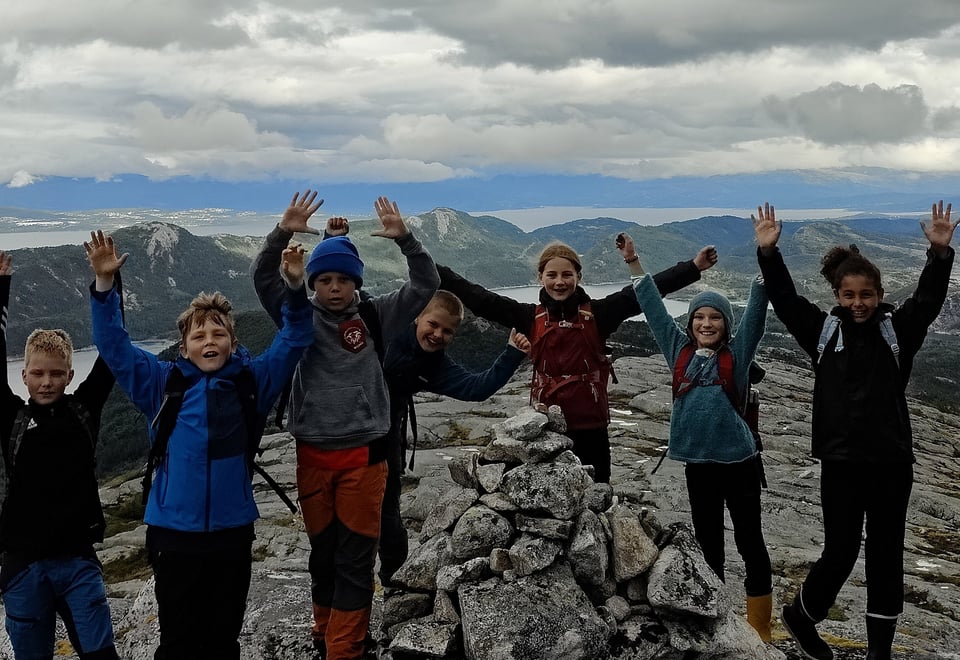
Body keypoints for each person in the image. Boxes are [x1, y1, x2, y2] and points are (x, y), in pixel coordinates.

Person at [85, 231, 314, 660]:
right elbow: (114, 347)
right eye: (198, 336)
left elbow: (296, 337)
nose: (209, 341)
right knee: (178, 641)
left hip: (231, 532)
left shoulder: (252, 382)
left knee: (223, 639)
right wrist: (104, 285)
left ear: (232, 340)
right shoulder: (161, 385)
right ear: (185, 348)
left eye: (218, 333)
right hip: (173, 535)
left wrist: (296, 288)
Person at [755, 201, 957, 660]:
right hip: (842, 464)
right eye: (849, 296)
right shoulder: (822, 332)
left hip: (890, 463)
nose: (858, 304)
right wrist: (769, 254)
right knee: (840, 554)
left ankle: (879, 652)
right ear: (837, 295)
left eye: (866, 295)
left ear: (879, 294)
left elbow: (927, 301)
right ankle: (802, 619)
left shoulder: (897, 331)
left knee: (887, 555)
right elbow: (785, 300)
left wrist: (940, 255)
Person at [251, 192, 440, 659]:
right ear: (312, 283)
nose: (334, 288)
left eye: (343, 280)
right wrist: (284, 232)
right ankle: (324, 632)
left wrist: (407, 239)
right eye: (324, 279)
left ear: (356, 282)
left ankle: (345, 648)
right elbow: (262, 278)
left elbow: (426, 282)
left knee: (355, 558)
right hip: (313, 455)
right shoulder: (297, 314)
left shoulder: (376, 315)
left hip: (366, 457)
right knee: (323, 555)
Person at [318, 217, 532, 585]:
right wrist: (332, 241)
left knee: (387, 517)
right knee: (338, 517)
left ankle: (395, 584)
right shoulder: (382, 321)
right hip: (343, 430)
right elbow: (341, 303)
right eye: (433, 324)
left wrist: (511, 353)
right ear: (417, 316)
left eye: (448, 331)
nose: (437, 334)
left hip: (385, 440)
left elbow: (476, 388)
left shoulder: (434, 365)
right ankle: (338, 587)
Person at [437, 241, 718, 483]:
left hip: (591, 427)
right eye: (552, 274)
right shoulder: (527, 316)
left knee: (596, 493)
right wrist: (422, 261)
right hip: (545, 426)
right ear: (540, 277)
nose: (559, 281)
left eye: (567, 274)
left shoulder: (599, 314)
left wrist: (694, 267)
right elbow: (478, 297)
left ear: (578, 277)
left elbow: (644, 294)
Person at [618, 223, 774, 641]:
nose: (706, 323)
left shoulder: (737, 357)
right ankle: (718, 614)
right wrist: (634, 262)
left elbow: (756, 318)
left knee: (750, 541)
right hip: (699, 465)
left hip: (739, 463)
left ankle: (760, 624)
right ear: (689, 323)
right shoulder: (678, 350)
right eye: (699, 317)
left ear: (726, 323)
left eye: (715, 318)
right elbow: (651, 306)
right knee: (708, 545)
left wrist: (766, 258)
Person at [0, 250, 120, 660]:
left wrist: (106, 283)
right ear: (24, 375)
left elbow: (114, 348)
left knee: (100, 654)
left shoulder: (84, 410)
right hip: (22, 566)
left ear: (71, 375)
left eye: (56, 373)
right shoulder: (12, 418)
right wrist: (2, 288)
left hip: (77, 564)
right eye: (38, 373)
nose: (47, 382)